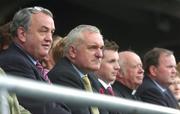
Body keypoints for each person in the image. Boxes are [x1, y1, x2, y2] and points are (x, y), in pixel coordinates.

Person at [0, 6, 71, 114]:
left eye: (51, 32)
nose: (49, 38)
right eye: (43, 31)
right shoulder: (14, 62)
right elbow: (43, 109)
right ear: (22, 34)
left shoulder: (30, 62)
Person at [48, 24, 104, 114]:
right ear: (72, 51)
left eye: (101, 48)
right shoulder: (63, 75)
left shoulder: (91, 77)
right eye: (93, 48)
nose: (100, 54)